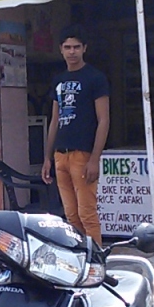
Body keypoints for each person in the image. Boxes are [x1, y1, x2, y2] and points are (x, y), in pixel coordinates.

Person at [41, 26, 109, 245]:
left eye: (76, 47)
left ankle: (96, 259)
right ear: (61, 49)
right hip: (60, 155)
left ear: (84, 48)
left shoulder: (95, 78)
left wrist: (94, 159)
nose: (72, 52)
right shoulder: (58, 80)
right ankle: (79, 257)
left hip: (83, 154)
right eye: (68, 47)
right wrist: (47, 157)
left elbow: (104, 120)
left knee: (87, 213)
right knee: (70, 216)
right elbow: (55, 120)